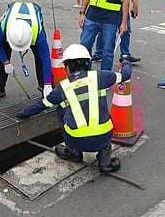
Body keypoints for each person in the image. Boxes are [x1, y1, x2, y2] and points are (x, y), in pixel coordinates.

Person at [16, 44, 132, 173]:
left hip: (76, 140)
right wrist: (126, 61)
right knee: (101, 113)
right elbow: (126, 74)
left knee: (60, 106)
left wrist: (22, 114)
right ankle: (105, 161)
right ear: (87, 64)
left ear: (68, 66)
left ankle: (73, 152)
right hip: (103, 139)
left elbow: (41, 106)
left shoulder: (62, 88)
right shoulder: (101, 76)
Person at [0, 1, 53, 102]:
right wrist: (5, 62)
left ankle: (45, 87)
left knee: (40, 58)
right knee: (1, 56)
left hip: (33, 15)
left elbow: (46, 59)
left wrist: (48, 84)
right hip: (13, 18)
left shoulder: (38, 33)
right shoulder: (4, 29)